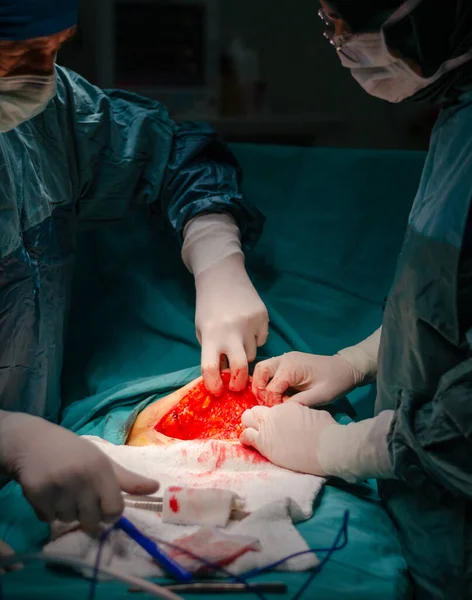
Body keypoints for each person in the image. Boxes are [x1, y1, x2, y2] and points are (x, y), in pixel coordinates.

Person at [0, 0, 268, 541]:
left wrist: (216, 253)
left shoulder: (48, 114)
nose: (41, 76)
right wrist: (10, 438)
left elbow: (168, 148)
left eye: (55, 50)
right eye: (18, 53)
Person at [240, 1, 472, 598]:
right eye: (327, 22)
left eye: (347, 21)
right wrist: (359, 360)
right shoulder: (461, 113)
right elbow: (448, 298)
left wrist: (340, 446)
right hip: (424, 519)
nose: (339, 43)